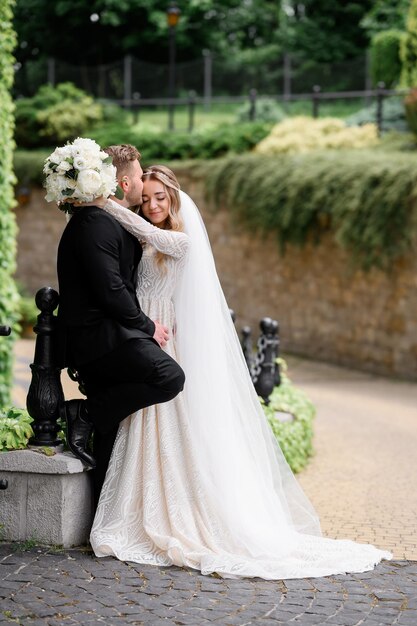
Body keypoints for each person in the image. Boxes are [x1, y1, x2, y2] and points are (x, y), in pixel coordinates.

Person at [86, 164, 392, 579]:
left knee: (166, 418)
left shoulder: (179, 240)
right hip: (143, 329)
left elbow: (151, 236)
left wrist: (102, 201)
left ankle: (177, 513)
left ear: (173, 199)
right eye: (147, 199)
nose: (153, 205)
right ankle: (139, 502)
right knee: (146, 423)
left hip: (159, 334)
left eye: (161, 198)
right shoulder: (141, 233)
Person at [56, 146, 185, 506]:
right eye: (142, 184)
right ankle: (85, 411)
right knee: (169, 377)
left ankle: (104, 513)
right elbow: (111, 288)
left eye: (158, 195)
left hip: (121, 334)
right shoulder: (94, 222)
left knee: (113, 432)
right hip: (107, 338)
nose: (145, 191)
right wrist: (146, 326)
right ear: (123, 182)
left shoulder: (116, 222)